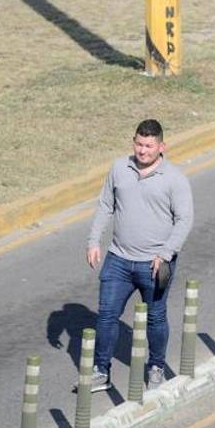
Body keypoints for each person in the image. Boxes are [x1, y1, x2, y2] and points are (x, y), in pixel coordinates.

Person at [85, 119, 193, 392]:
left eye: (149, 145)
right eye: (138, 144)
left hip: (154, 263)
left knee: (155, 316)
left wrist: (166, 254)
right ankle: (101, 370)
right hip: (118, 259)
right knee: (107, 314)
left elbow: (184, 220)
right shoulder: (119, 168)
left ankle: (156, 366)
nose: (142, 151)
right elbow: (105, 205)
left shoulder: (174, 179)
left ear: (161, 146)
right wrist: (94, 240)